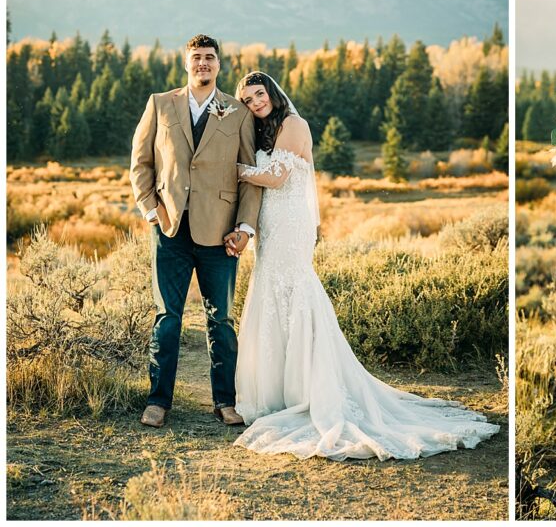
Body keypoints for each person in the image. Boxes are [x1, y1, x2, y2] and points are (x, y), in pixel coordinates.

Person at [230, 71, 500, 461]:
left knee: (295, 290)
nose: (256, 103)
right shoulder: (264, 130)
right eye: (248, 99)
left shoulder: (293, 124)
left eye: (259, 94)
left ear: (271, 92)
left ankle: (310, 389)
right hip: (271, 226)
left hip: (291, 222)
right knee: (272, 293)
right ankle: (277, 391)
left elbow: (276, 177)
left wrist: (235, 171)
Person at [129, 34, 262, 429]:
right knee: (167, 317)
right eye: (196, 58)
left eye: (210, 58)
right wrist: (150, 209)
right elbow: (140, 162)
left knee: (221, 319)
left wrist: (244, 228)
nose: (203, 63)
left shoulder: (237, 112)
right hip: (169, 229)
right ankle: (158, 402)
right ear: (185, 63)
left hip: (219, 233)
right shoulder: (160, 103)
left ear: (219, 65)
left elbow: (250, 176)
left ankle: (225, 402)